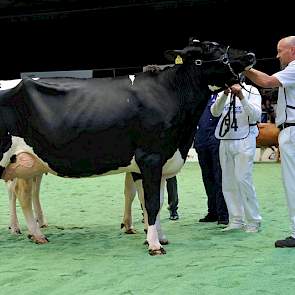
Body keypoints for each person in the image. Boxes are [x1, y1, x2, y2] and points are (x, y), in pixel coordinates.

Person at [244, 36, 295, 246]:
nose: (277, 55)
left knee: (292, 184)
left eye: (279, 50)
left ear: (292, 51)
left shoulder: (294, 68)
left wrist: (244, 67)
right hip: (289, 130)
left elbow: (266, 82)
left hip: (292, 131)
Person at [210, 77, 262, 233]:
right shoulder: (222, 93)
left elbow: (255, 116)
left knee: (243, 179)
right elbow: (215, 112)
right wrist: (225, 94)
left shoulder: (252, 91)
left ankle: (253, 220)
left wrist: (241, 96)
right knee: (228, 182)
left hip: (245, 139)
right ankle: (236, 219)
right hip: (226, 139)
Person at [194, 94, 229, 225]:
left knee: (219, 177)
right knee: (207, 178)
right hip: (201, 141)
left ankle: (223, 213)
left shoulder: (222, 95)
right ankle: (212, 211)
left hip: (217, 139)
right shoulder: (201, 97)